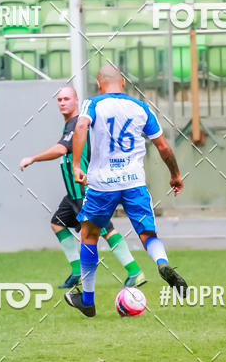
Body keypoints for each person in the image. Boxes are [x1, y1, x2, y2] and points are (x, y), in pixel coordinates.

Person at [66, 64, 187, 318]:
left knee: (89, 235)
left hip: (102, 184)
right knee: (147, 233)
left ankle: (87, 301)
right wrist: (175, 174)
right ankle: (162, 263)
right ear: (122, 82)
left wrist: (76, 165)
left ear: (99, 83)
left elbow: (80, 127)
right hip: (134, 182)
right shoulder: (141, 107)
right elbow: (163, 147)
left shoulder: (92, 104)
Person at [20, 85, 145, 288]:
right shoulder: (71, 124)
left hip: (83, 191)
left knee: (105, 229)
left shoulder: (77, 123)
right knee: (58, 223)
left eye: (67, 99)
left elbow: (62, 149)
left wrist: (33, 158)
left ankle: (135, 271)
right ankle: (77, 271)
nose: (62, 103)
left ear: (76, 101)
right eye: (59, 100)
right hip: (73, 193)